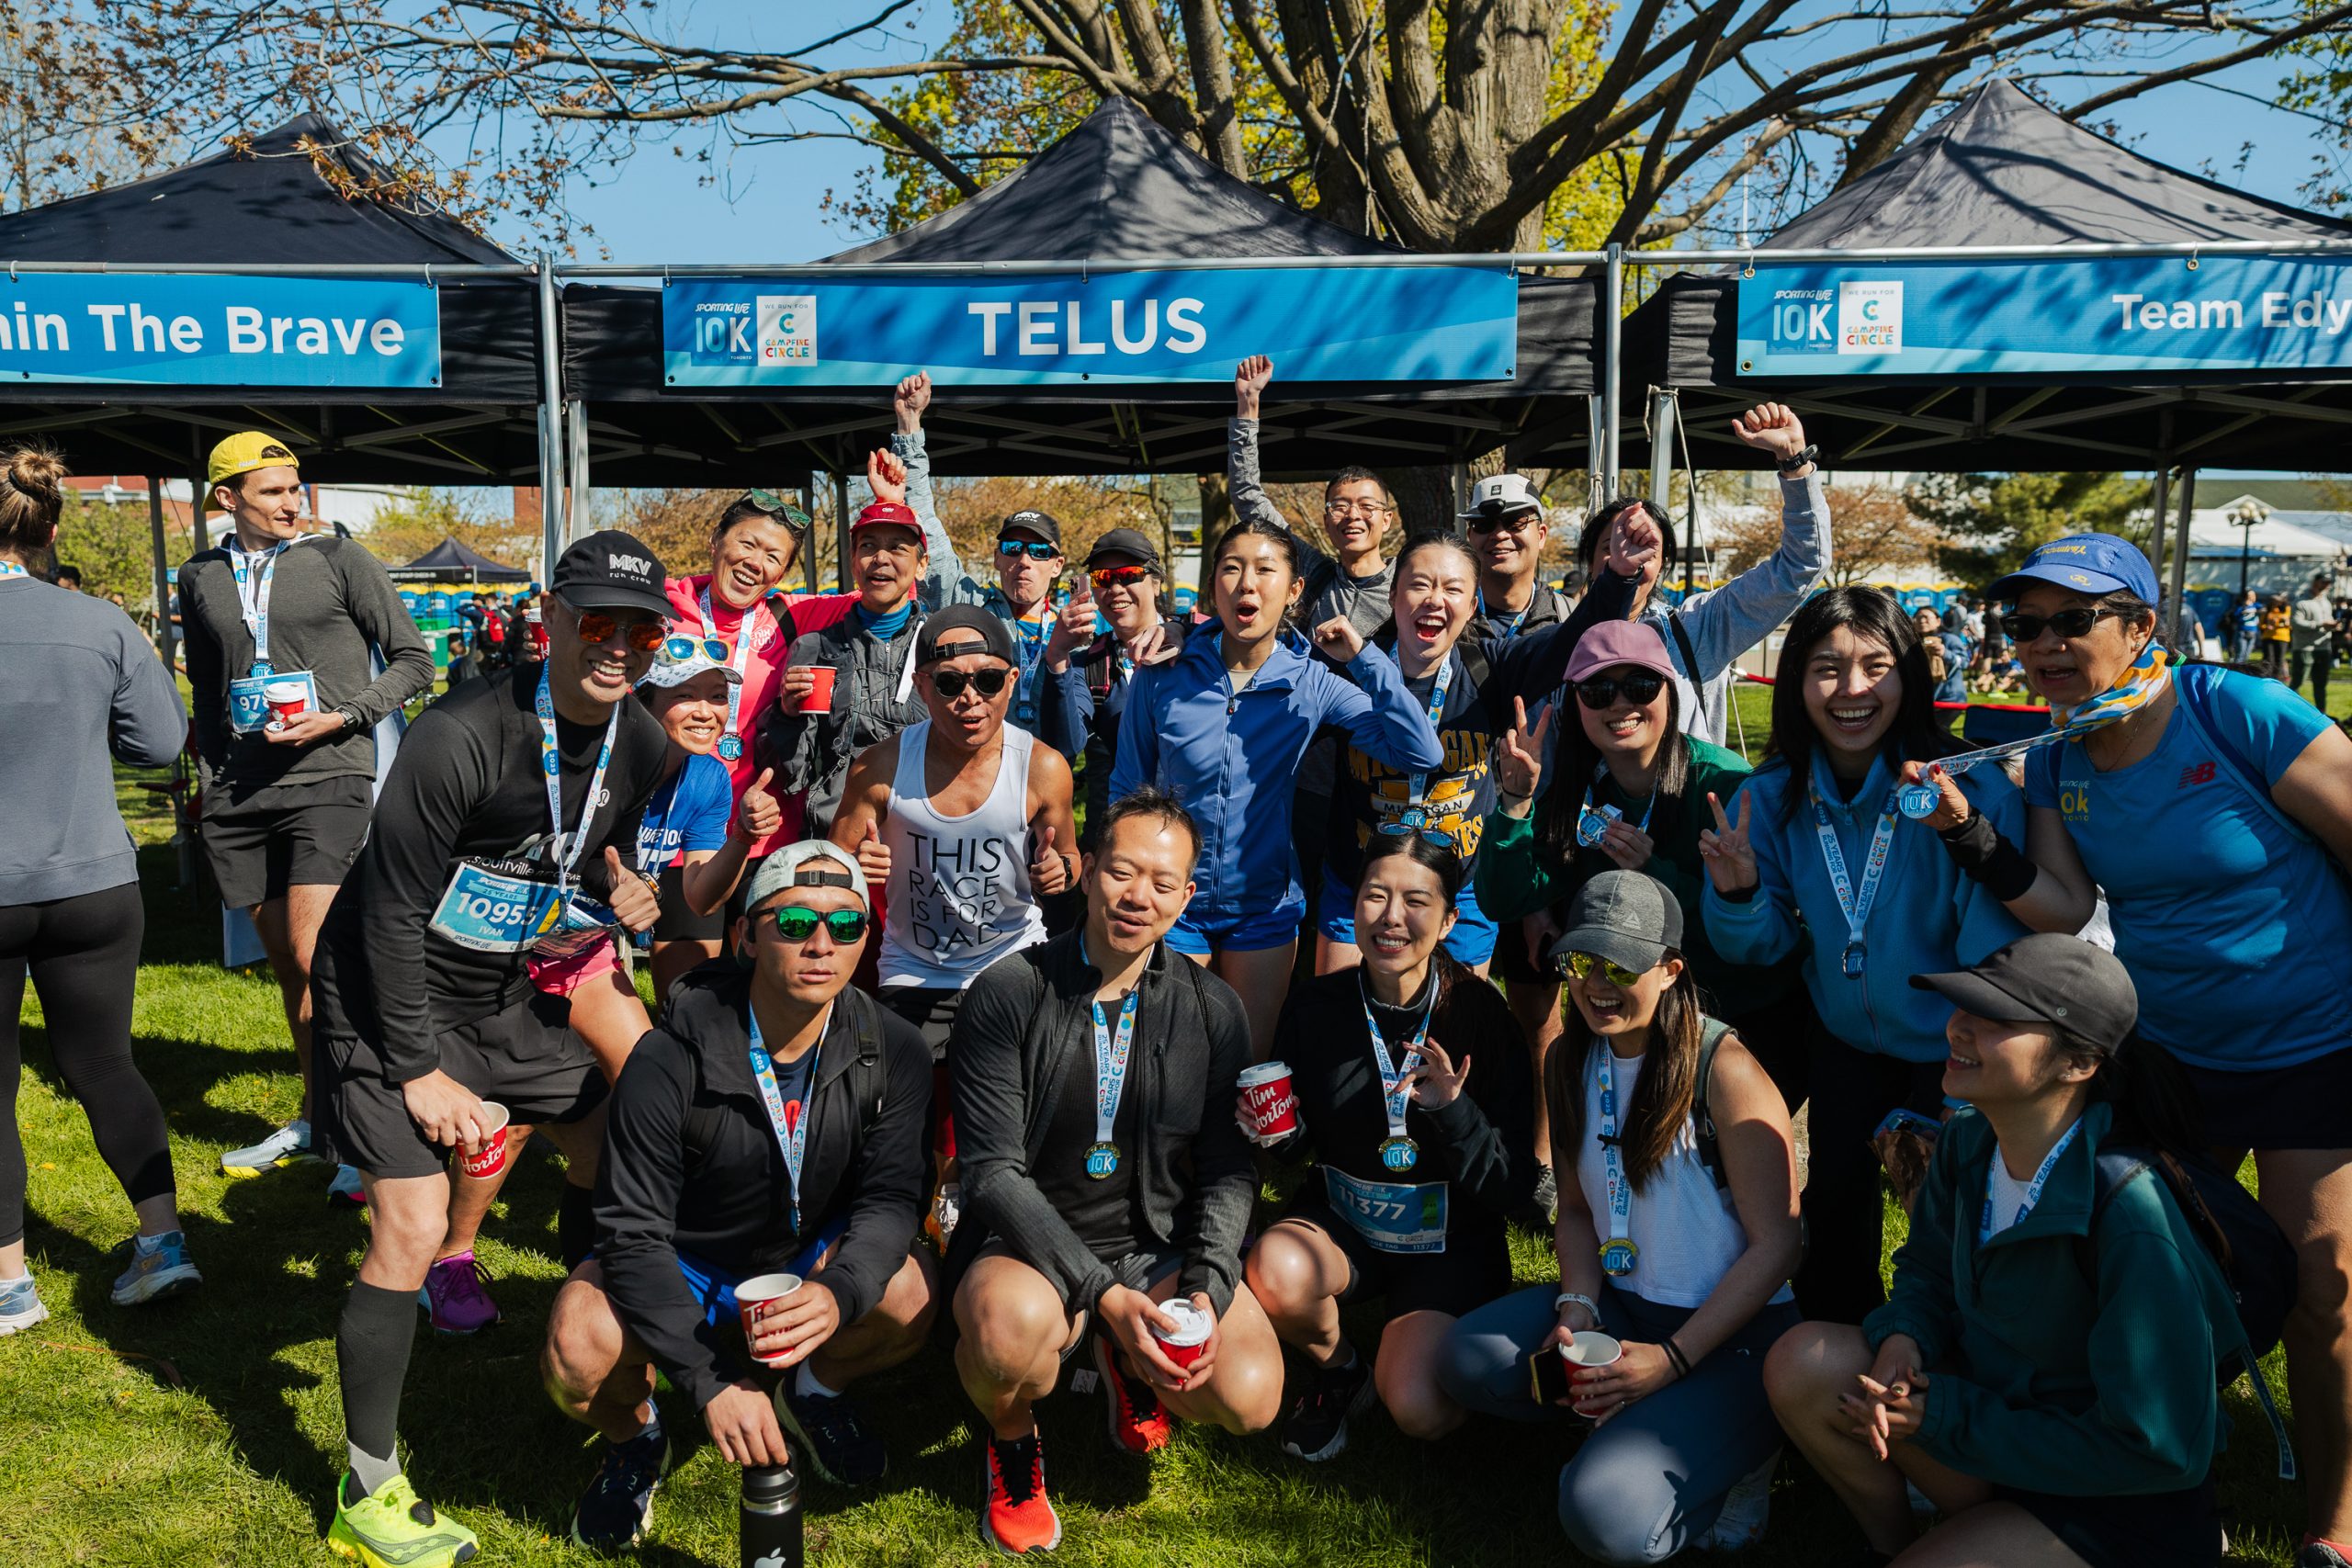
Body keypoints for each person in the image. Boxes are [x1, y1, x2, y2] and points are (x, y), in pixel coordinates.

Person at [1954, 533, 2352, 1568]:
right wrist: (1969, 840)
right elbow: (2064, 907)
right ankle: (2156, 1483)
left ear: (2141, 627)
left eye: (2069, 620)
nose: (2041, 644)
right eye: (2024, 624)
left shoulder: (2240, 713)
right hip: (2174, 1058)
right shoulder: (2052, 754)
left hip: (2316, 1046)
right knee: (2149, 1284)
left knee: (2322, 1289)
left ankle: (2330, 1525)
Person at [306, 532, 673, 1568]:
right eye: (597, 622)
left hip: (512, 984)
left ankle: (607, 1366)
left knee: (617, 1138)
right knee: (412, 1226)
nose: (618, 648)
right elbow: (382, 914)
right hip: (388, 993)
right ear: (551, 616)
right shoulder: (459, 734)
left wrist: (621, 891)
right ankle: (365, 1487)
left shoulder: (639, 740)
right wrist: (417, 1069)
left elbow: (592, 857)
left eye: (640, 630)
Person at [1766, 934, 2245, 1568]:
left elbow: (2158, 1448)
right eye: (1962, 1007)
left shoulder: (2132, 1213)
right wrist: (1905, 1337)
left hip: (2116, 1499)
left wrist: (1947, 1418)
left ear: (2079, 1064)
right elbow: (1928, 1270)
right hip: (1995, 1438)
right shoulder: (1969, 1138)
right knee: (1803, 1361)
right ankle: (1893, 1545)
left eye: (1996, 1020)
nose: (1958, 1028)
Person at [541, 841, 938, 1545]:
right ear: (746, 934)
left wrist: (840, 1291)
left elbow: (890, 1202)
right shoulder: (666, 1057)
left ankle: (813, 1391)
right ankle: (637, 1440)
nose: (821, 944)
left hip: (807, 1252)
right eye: (794, 924)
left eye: (846, 926)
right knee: (578, 1344)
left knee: (908, 1293)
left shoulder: (896, 1046)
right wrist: (710, 1378)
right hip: (686, 1259)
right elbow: (631, 1235)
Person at [948, 789, 1282, 1556]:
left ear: (1188, 896)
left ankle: (1124, 1353)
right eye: (1122, 872)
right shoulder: (1008, 992)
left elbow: (1231, 1166)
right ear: (1089, 868)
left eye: (1164, 883)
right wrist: (1103, 1294)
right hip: (1026, 1249)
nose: (1140, 897)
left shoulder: (1213, 1007)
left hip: (1150, 1245)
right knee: (1007, 1341)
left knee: (1251, 1394)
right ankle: (1013, 1441)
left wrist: (1205, 1286)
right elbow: (993, 1172)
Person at [1698, 587, 2042, 1325]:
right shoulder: (1773, 798)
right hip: (1848, 1042)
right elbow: (1763, 946)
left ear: (1909, 676)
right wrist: (1738, 894)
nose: (1851, 690)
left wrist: (1965, 1076)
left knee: (1951, 1210)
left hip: (1957, 1044)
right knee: (1834, 1202)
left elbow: (1996, 945)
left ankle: (1956, 1365)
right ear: (1794, 682)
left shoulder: (1962, 789)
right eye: (1826, 668)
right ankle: (1834, 1354)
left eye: (1875, 666)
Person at [1438, 872, 1803, 1562]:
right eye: (1581, 961)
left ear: (1670, 970)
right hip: (1624, 1309)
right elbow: (1574, 1210)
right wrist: (1576, 1307)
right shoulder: (1568, 1056)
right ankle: (1644, 1421)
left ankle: (1738, 1457)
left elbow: (1781, 1244)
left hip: (1737, 1336)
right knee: (1462, 1359)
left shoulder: (1724, 1066)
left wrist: (1672, 1359)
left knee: (1602, 1516)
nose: (1595, 983)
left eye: (1619, 964)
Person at [424, 637, 784, 1337]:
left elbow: (702, 896)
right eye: (687, 693)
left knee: (644, 1090)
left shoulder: (708, 778)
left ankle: (607, 1259)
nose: (707, 710)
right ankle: (450, 1257)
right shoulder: (601, 755)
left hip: (582, 946)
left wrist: (740, 838)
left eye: (717, 694)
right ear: (645, 699)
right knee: (519, 1108)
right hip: (501, 938)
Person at [177, 432, 435, 1184]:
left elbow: (415, 661)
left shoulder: (340, 559)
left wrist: (345, 717)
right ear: (228, 499)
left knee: (318, 952)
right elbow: (205, 682)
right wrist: (211, 770)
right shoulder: (200, 575)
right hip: (242, 788)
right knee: (290, 967)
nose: (294, 502)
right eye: (274, 491)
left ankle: (364, 1132)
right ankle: (320, 1115)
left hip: (331, 773)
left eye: (296, 487)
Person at [1245, 835, 1537, 1461]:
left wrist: (1454, 1112)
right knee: (1273, 1269)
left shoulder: (1483, 1018)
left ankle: (1421, 1354)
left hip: (1451, 1243)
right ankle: (1341, 1368)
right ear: (1354, 908)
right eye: (1375, 895)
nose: (1391, 917)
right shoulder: (1316, 1005)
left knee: (1417, 1405)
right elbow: (1300, 1150)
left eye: (1416, 900)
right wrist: (1275, 1128)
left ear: (1450, 918)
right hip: (1347, 1226)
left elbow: (1513, 1186)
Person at [1109, 517, 1445, 1057]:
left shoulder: (1312, 681)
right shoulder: (1162, 671)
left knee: (1249, 1064)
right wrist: (1122, 879)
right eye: (1232, 568)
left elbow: (1421, 752)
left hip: (1263, 909)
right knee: (1168, 1062)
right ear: (1213, 583)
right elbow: (1127, 786)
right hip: (1169, 904)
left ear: (1293, 592)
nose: (1247, 583)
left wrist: (1364, 658)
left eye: (1265, 570)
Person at [0, 447, 198, 1332]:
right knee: (104, 1064)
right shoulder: (102, 622)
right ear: (49, 529)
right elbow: (160, 743)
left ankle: (10, 1282)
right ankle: (163, 1239)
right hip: (95, 883)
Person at [1477, 619, 1798, 1105]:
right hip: (1639, 1022)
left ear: (1670, 694)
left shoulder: (1725, 784)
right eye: (1599, 690)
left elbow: (1760, 933)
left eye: (1641, 685)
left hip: (1744, 1017)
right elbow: (1503, 899)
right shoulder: (1579, 791)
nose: (1621, 704)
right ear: (1575, 704)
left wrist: (1657, 877)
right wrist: (1516, 802)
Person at [1316, 523, 1647, 978]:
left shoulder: (1492, 666)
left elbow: (1573, 640)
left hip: (1462, 885)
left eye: (1453, 589)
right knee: (1346, 1024)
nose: (1435, 599)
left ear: (1472, 606)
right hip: (1360, 883)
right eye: (1419, 585)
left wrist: (1618, 578)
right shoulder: (1348, 665)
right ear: (1393, 596)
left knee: (1455, 1032)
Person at [829, 606, 1075, 1057]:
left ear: (1013, 680)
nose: (970, 698)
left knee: (1010, 1108)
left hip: (1013, 957)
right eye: (948, 682)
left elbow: (1071, 860)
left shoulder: (1042, 767)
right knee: (902, 1113)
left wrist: (1060, 872)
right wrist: (853, 867)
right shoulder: (880, 766)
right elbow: (831, 870)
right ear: (922, 687)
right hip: (913, 968)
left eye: (988, 680)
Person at [1231, 355, 1402, 934]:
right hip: (1305, 763)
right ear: (1327, 520)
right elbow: (1249, 497)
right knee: (1301, 892)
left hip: (1381, 762)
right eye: (1339, 506)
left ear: (1386, 520)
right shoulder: (1313, 572)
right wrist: (1249, 412)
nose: (1351, 516)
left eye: (1365, 507)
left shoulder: (1412, 587)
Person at [888, 372, 1074, 741]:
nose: (1024, 560)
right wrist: (909, 426)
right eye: (1012, 548)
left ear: (1057, 565)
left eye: (1038, 551)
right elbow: (924, 521)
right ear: (996, 558)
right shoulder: (968, 605)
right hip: (972, 771)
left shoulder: (1078, 626)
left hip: (1048, 776)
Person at [764, 470, 933, 840]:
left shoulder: (939, 647)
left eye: (898, 548)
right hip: (839, 836)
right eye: (868, 546)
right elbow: (795, 774)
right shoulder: (813, 648)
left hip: (927, 836)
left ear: (921, 565)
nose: (881, 559)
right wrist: (788, 715)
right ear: (853, 561)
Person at [1037, 528, 1187, 833]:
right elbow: (1065, 745)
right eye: (1102, 579)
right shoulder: (1090, 663)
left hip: (1193, 828)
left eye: (1130, 575)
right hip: (1119, 833)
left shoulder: (1195, 644)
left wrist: (1183, 628)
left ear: (1156, 583)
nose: (1116, 588)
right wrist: (1057, 656)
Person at [2295, 574, 2338, 698]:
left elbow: (2327, 620)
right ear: (2314, 582)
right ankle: (2286, 713)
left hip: (2324, 647)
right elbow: (2296, 623)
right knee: (2298, 682)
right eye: (2323, 582)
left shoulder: (2326, 601)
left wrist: (2333, 625)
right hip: (2304, 648)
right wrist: (2321, 624)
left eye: (2329, 582)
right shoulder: (2301, 602)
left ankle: (2321, 713)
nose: (2326, 585)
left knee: (2321, 684)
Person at [2262, 593, 2293, 682]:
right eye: (2274, 600)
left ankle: (2276, 679)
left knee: (2279, 659)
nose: (2276, 602)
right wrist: (2266, 626)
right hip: (2268, 637)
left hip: (2282, 637)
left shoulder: (2287, 609)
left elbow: (2291, 624)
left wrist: (2288, 624)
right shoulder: (2268, 610)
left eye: (2278, 600)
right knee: (2268, 658)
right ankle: (2266, 677)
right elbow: (2261, 624)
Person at [2231, 588, 2262, 663]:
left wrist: (2255, 610)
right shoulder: (2241, 606)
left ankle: (2243, 671)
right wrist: (2244, 611)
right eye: (2250, 595)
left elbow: (2264, 609)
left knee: (2247, 655)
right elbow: (2234, 616)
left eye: (2254, 595)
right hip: (2242, 631)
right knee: (2240, 653)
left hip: (2253, 632)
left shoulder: (2256, 605)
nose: (2253, 597)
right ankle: (2236, 671)